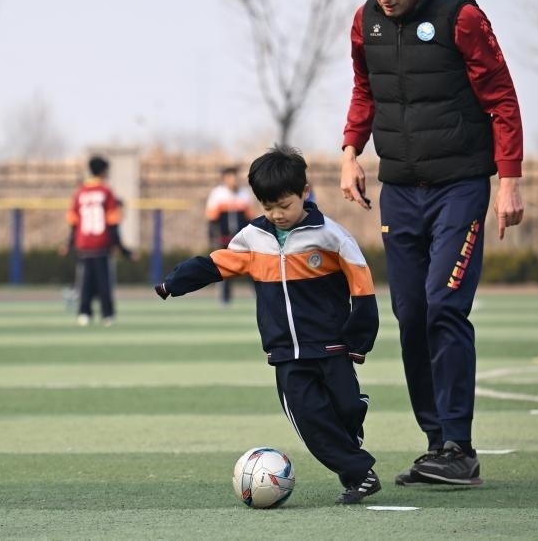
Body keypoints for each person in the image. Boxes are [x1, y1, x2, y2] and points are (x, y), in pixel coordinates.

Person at [339, 0, 525, 487]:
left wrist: (509, 181)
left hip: (458, 187)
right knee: (412, 314)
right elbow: (365, 90)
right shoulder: (364, 22)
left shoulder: (461, 16)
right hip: (400, 190)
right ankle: (436, 445)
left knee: (444, 304)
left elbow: (502, 98)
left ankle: (458, 447)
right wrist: (350, 152)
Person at [155, 145, 382, 505]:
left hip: (332, 345)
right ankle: (359, 474)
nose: (276, 214)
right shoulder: (252, 238)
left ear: (305, 192)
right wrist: (174, 282)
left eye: (284, 205)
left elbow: (362, 287)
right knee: (310, 421)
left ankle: (353, 422)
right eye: (267, 207)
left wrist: (360, 339)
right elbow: (215, 264)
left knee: (347, 408)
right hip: (285, 354)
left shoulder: (331, 236)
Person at [60, 155, 134, 327]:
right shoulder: (106, 192)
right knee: (104, 282)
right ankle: (108, 314)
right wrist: (121, 247)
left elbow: (73, 222)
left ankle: (84, 313)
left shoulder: (80, 192)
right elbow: (113, 222)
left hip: (83, 243)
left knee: (85, 281)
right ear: (103, 172)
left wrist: (68, 244)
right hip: (101, 243)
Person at [204, 166, 253, 305]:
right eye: (230, 177)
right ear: (224, 179)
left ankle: (258, 295)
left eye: (235, 177)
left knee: (251, 266)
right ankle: (225, 299)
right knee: (225, 268)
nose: (233, 180)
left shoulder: (244, 194)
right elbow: (212, 218)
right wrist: (214, 237)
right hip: (224, 238)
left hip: (242, 237)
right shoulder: (217, 194)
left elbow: (250, 217)